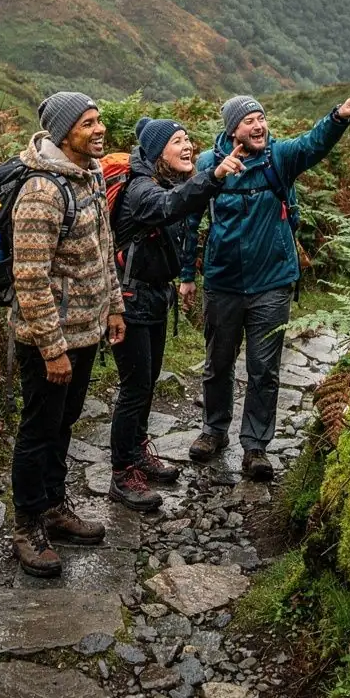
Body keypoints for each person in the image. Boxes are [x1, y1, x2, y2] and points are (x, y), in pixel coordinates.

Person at [180, 91, 350, 480]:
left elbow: (312, 144)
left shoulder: (278, 159)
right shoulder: (208, 163)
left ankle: (255, 446)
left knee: (264, 369)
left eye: (261, 118)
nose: (259, 125)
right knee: (218, 363)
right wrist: (186, 276)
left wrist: (338, 117)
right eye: (249, 120)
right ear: (233, 129)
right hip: (223, 281)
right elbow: (190, 220)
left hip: (272, 282)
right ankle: (214, 431)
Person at [10, 91, 126, 577]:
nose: (98, 130)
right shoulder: (42, 191)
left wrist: (114, 307)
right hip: (49, 341)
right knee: (38, 430)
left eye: (98, 120)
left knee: (63, 425)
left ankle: (54, 506)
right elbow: (30, 277)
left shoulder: (91, 176)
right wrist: (52, 349)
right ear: (63, 134)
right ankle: (28, 523)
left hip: (85, 332)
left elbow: (104, 248)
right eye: (87, 123)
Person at [108, 116, 247, 511]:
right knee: (134, 389)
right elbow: (172, 206)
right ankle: (121, 473)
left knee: (146, 383)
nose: (187, 146)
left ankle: (137, 454)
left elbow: (182, 199)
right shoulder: (141, 190)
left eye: (188, 139)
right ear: (156, 154)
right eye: (176, 141)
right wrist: (215, 176)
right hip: (129, 301)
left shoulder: (164, 182)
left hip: (151, 299)